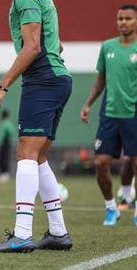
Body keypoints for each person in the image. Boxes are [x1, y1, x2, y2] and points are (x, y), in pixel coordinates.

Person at [0, 0, 72, 252]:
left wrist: (2, 86)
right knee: (39, 156)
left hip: (43, 80)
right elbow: (57, 44)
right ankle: (58, 232)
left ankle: (22, 234)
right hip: (56, 78)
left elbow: (32, 47)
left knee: (26, 153)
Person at [80, 4, 137, 226]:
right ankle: (111, 208)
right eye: (120, 18)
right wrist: (88, 104)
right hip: (110, 113)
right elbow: (101, 78)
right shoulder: (107, 47)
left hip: (133, 113)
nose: (123, 22)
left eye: (128, 19)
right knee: (100, 162)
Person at [0, 109, 16, 183]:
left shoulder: (7, 124)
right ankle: (2, 174)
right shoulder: (5, 123)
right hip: (3, 144)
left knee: (4, 159)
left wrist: (8, 140)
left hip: (6, 144)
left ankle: (5, 174)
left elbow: (11, 132)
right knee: (0, 158)